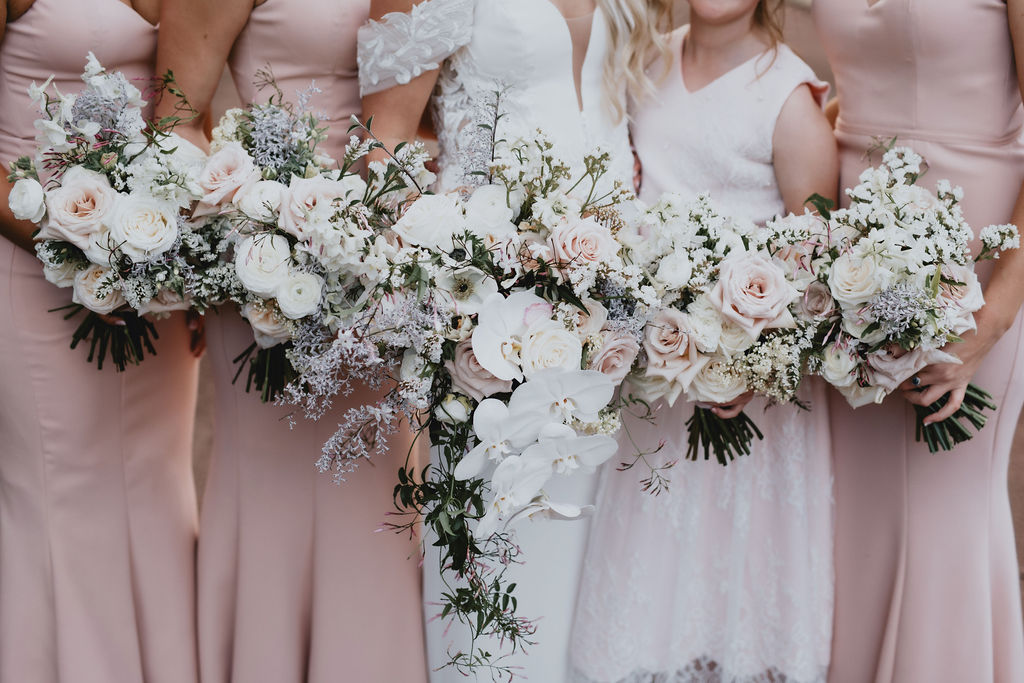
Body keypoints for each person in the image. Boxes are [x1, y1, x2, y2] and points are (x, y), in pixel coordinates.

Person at [358, 0, 667, 678]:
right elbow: (382, 149)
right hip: (489, 319)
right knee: (502, 560)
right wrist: (447, 280)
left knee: (587, 573)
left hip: (606, 319)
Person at [154, 2, 426, 681]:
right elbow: (175, 121)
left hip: (391, 289)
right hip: (265, 288)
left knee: (377, 516)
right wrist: (236, 237)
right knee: (272, 512)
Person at [571, 1, 839, 681]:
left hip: (743, 405)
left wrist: (750, 359)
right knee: (649, 590)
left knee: (728, 590)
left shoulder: (788, 96)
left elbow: (814, 271)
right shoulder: (645, 62)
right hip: (652, 391)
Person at [812, 1, 1024, 680]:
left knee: (944, 513)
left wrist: (988, 324)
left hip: (981, 262)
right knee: (855, 522)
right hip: (854, 268)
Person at [0, 1, 200, 682]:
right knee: (61, 495)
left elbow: (187, 114)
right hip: (32, 268)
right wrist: (78, 248)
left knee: (158, 491)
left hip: (152, 281)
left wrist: (187, 267)